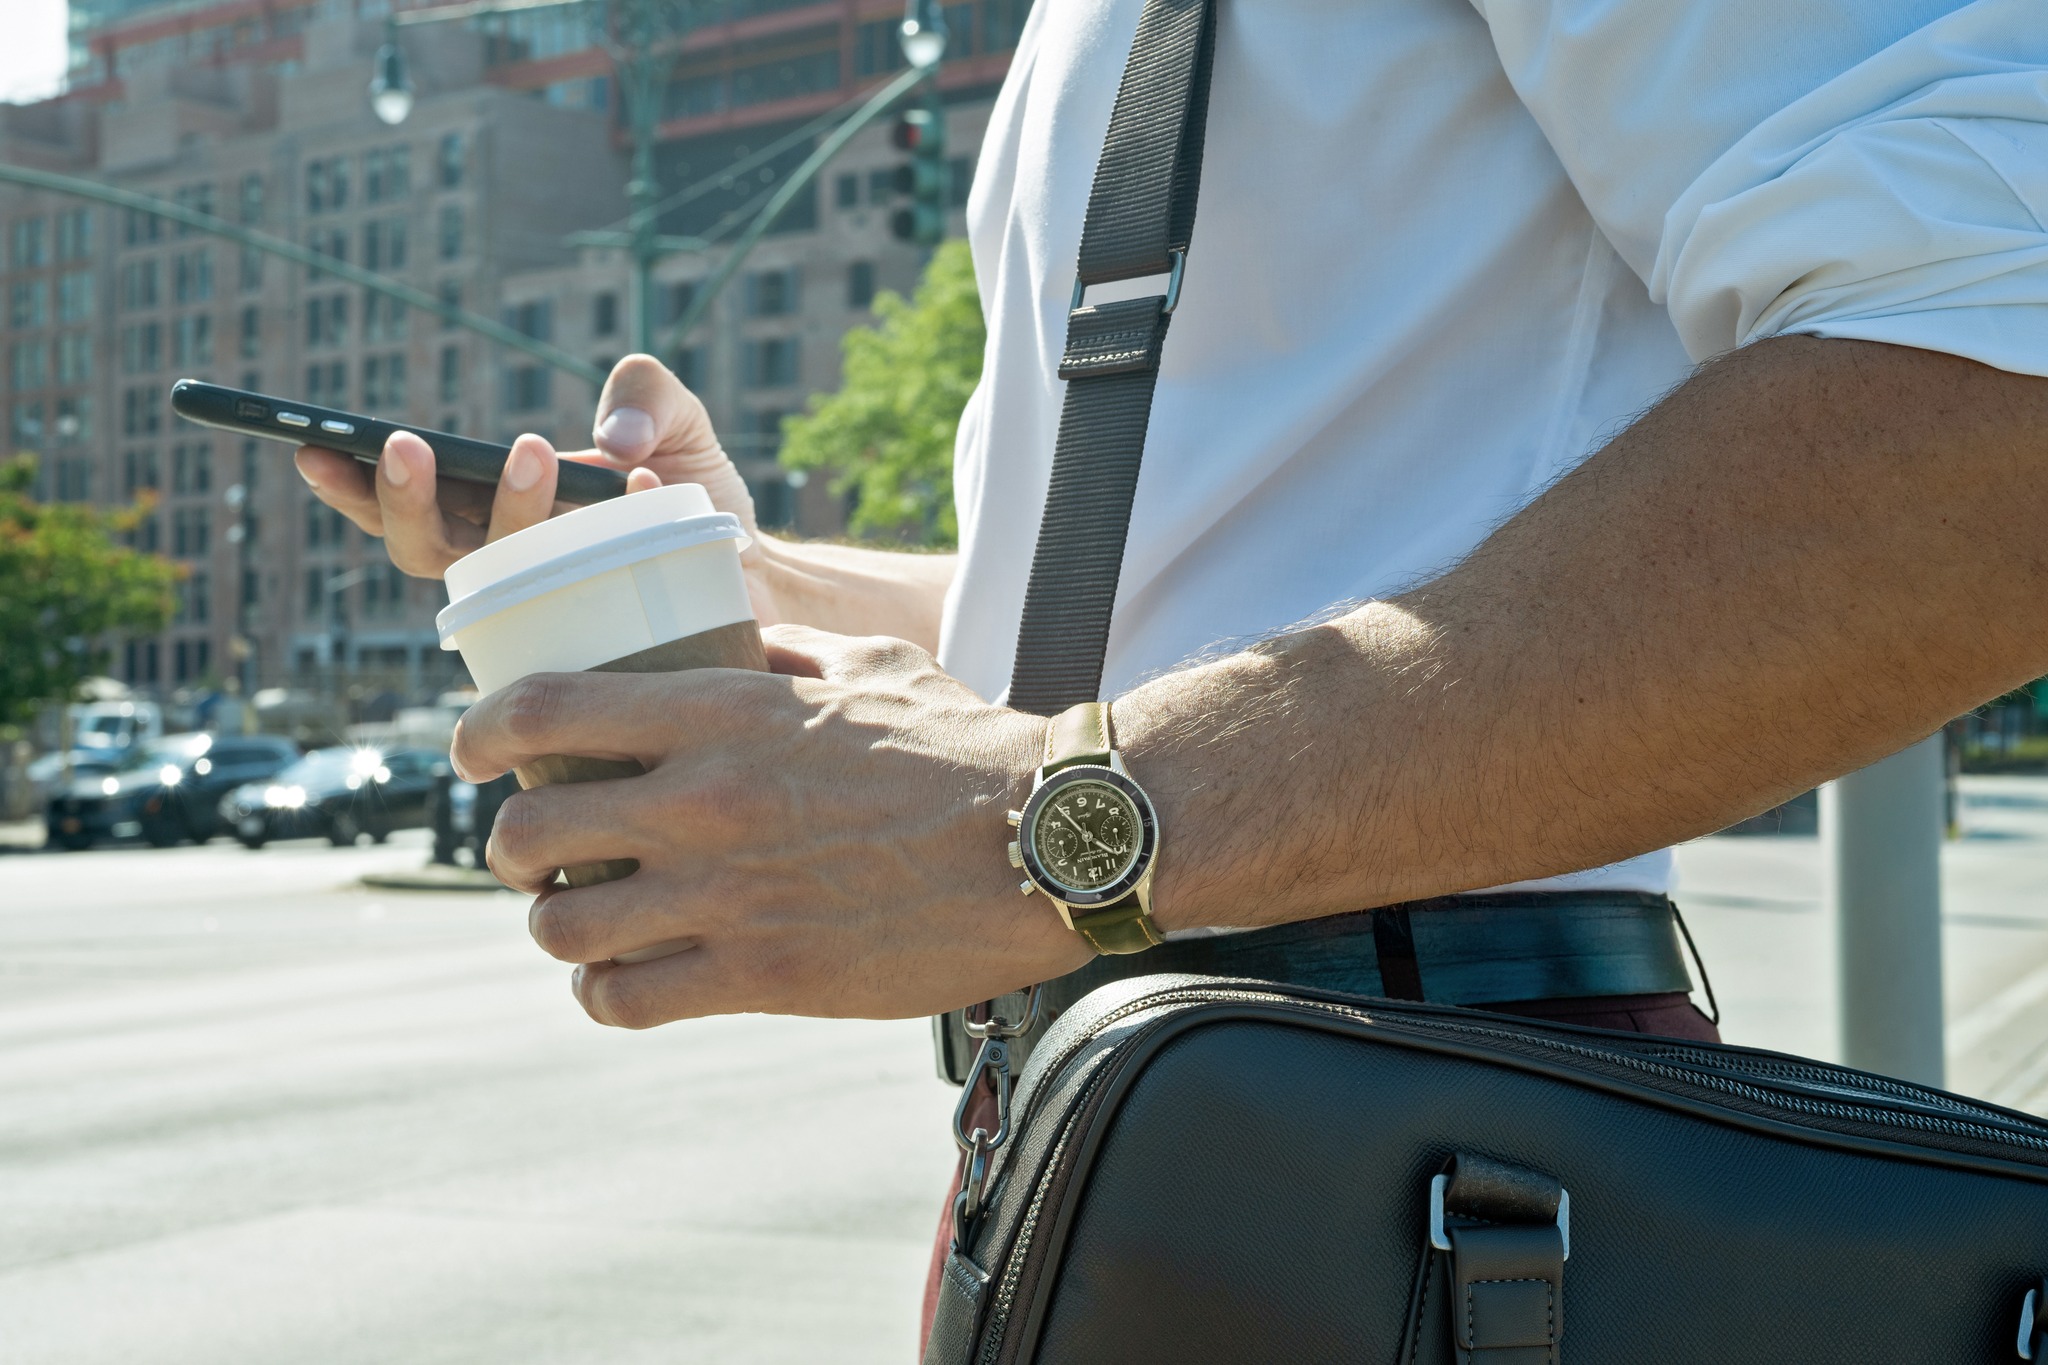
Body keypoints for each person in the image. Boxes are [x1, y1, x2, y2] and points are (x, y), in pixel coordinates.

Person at [298, 0, 2047, 1329]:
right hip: (1167, 1153)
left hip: (1431, 1181)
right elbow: (1180, 600)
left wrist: (1055, 824)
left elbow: (2006, 403)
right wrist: (745, 571)